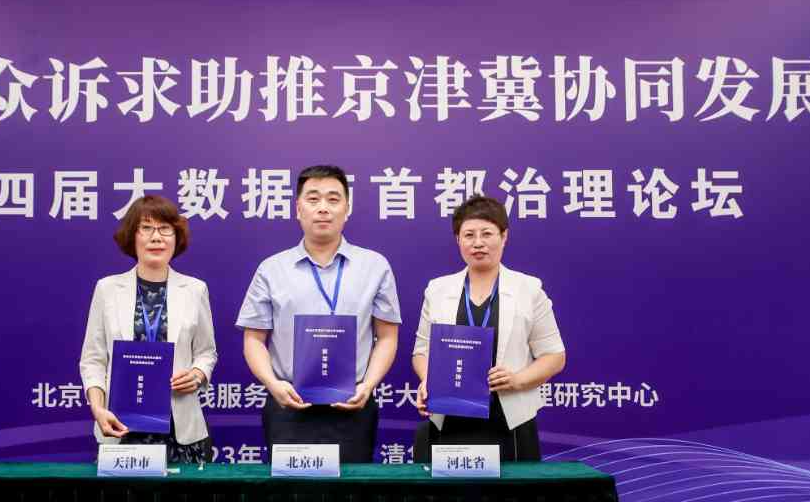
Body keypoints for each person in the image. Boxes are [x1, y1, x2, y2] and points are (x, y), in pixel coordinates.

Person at [236, 165, 401, 462]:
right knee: (290, 490)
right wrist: (274, 385)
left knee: (353, 490)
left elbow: (387, 337)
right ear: (298, 209)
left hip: (352, 406)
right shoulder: (272, 269)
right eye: (313, 199)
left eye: (333, 199)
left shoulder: (375, 266)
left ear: (347, 209)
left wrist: (368, 385)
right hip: (289, 405)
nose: (323, 208)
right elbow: (253, 340)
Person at [412, 195, 565, 461]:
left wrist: (518, 380)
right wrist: (429, 380)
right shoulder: (437, 289)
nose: (478, 243)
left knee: (513, 489)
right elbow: (421, 351)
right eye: (468, 235)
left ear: (504, 237)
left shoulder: (529, 289)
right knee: (449, 488)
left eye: (487, 233)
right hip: (450, 416)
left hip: (510, 418)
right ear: (458, 240)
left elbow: (554, 356)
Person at [79, 195, 218, 463]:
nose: (157, 237)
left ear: (176, 237)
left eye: (165, 229)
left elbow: (206, 352)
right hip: (119, 427)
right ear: (132, 236)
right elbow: (93, 359)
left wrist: (197, 374)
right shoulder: (107, 289)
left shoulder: (195, 289)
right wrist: (98, 408)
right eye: (146, 228)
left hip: (181, 430)